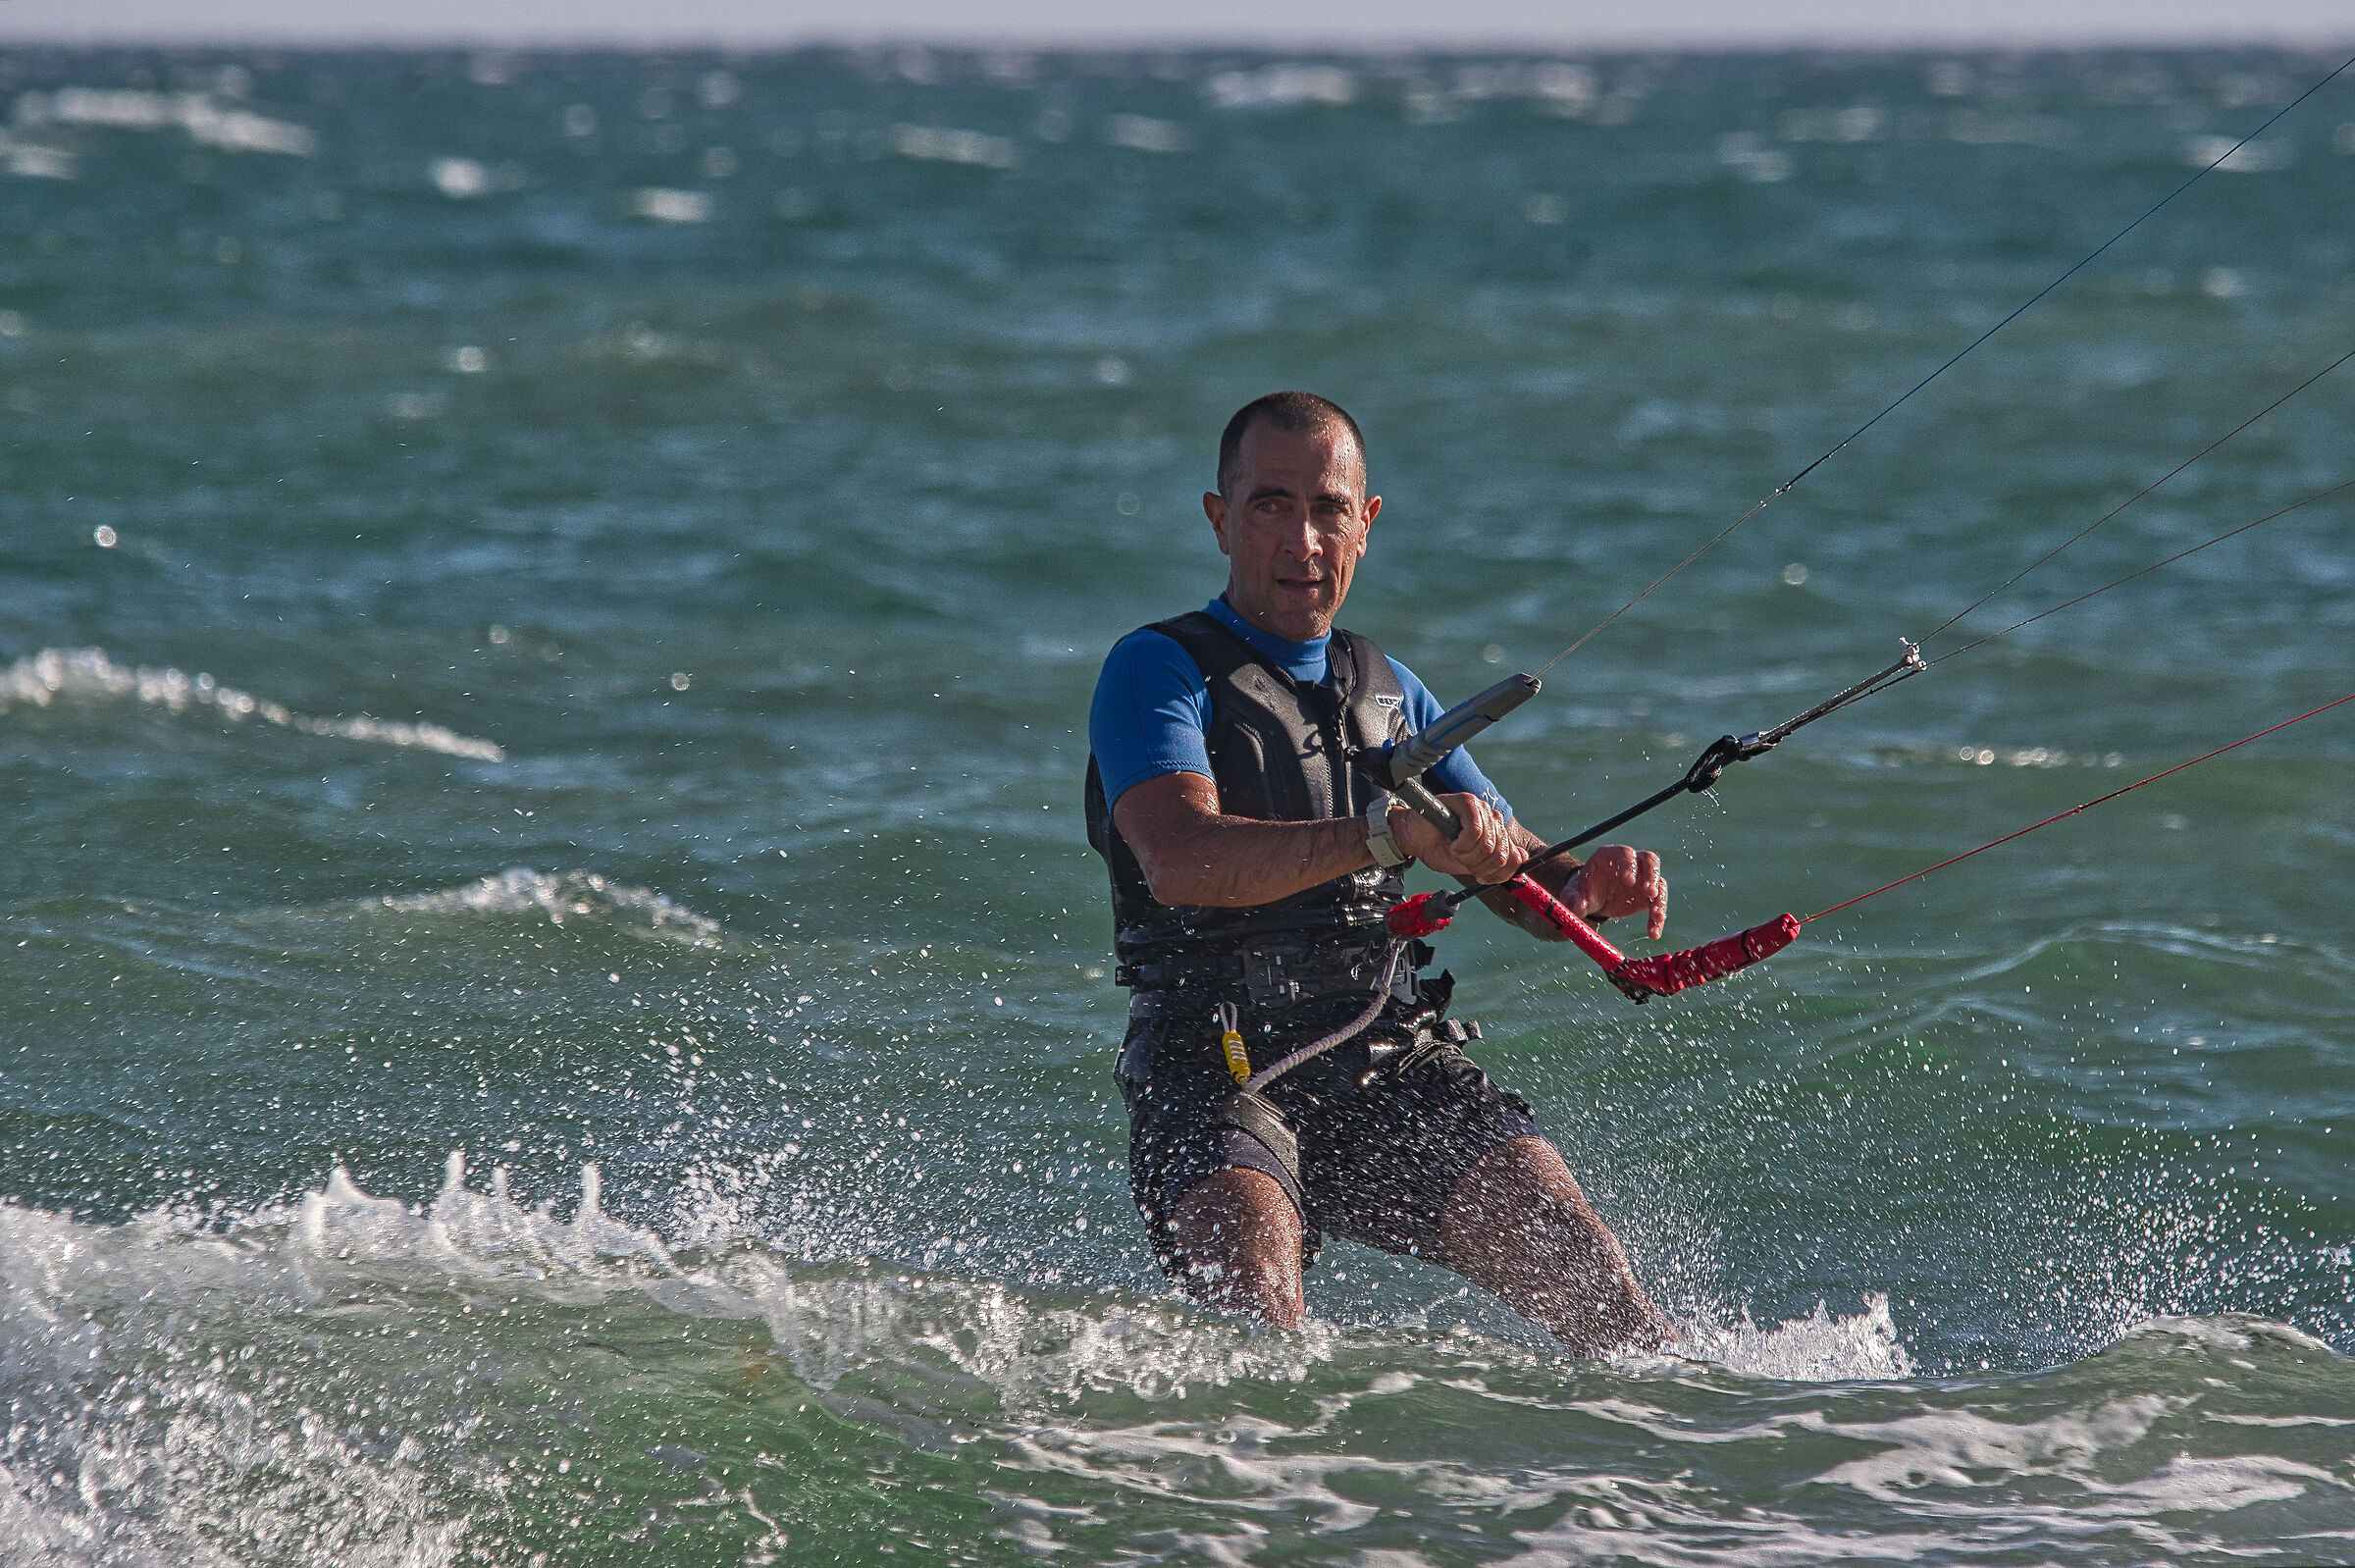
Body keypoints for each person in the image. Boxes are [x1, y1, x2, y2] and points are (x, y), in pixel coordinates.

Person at [1083, 391, 1675, 1355]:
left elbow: (1505, 862)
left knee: (1596, 1280)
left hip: (1385, 1052)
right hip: (1216, 1061)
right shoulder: (1158, 671)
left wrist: (1579, 890)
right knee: (1258, 1320)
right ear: (1219, 516)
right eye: (1271, 504)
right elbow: (1180, 857)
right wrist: (1384, 836)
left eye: (1328, 509)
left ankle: (1676, 1490)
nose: (1302, 538)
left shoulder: (1393, 691)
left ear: (1368, 521)